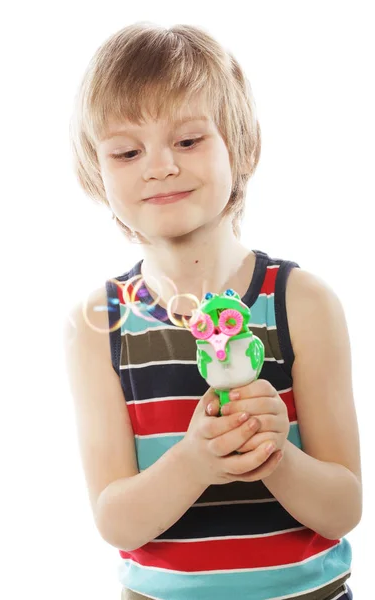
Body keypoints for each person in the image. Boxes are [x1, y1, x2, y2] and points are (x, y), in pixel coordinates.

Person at [64, 21, 361, 600]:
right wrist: (196, 460)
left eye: (188, 141)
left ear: (241, 146)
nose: (159, 166)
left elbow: (342, 509)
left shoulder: (302, 303)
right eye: (127, 151)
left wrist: (275, 456)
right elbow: (117, 522)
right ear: (97, 172)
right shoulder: (97, 324)